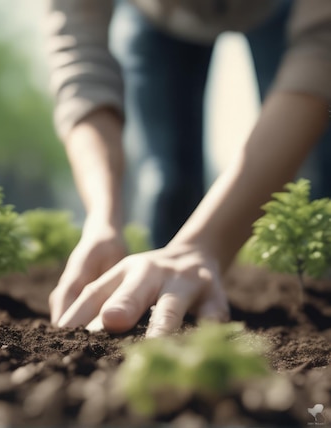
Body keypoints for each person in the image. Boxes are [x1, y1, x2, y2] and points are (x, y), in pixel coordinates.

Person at [43, 0, 331, 337]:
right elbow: (81, 70)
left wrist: (202, 246)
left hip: (285, 9)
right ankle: (173, 296)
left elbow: (322, 50)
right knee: (168, 187)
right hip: (159, 19)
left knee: (313, 187)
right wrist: (103, 219)